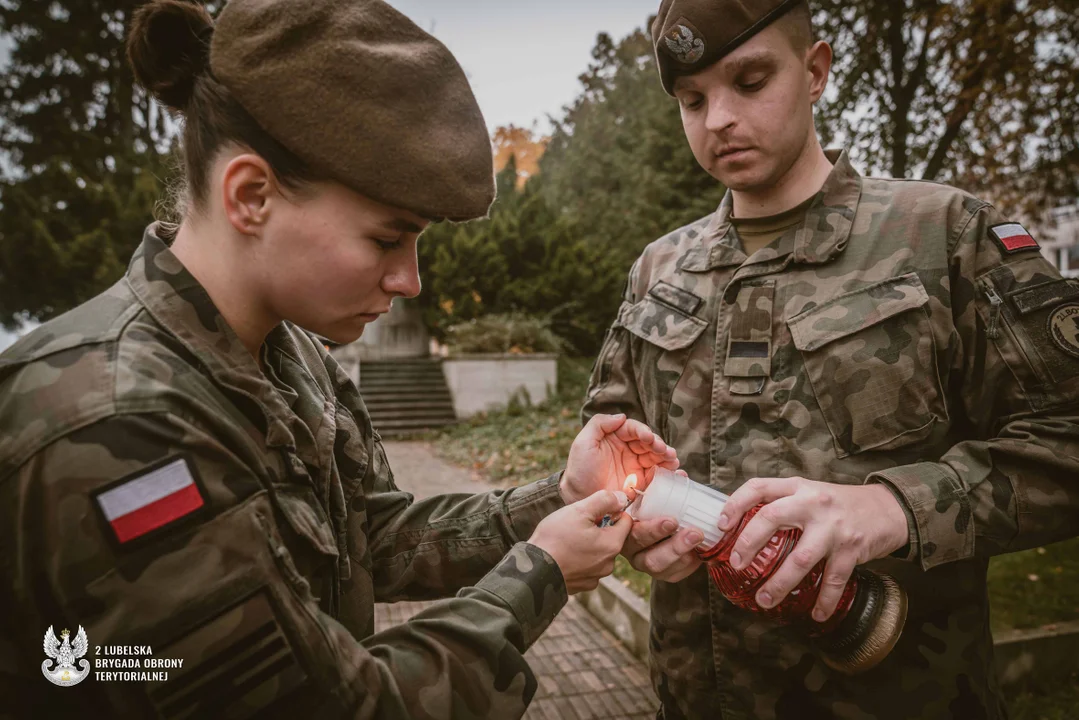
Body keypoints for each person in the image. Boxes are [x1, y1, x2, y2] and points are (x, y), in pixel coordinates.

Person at [0, 1, 681, 718]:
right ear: (251, 196)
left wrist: (558, 498)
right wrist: (535, 576)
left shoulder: (291, 351)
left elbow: (374, 540)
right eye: (387, 240)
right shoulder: (119, 422)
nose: (410, 281)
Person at [584, 0, 1079, 717]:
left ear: (814, 70)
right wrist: (635, 517)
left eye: (749, 82)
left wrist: (892, 508)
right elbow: (608, 440)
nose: (717, 118)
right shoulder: (659, 268)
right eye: (692, 100)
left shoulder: (941, 234)